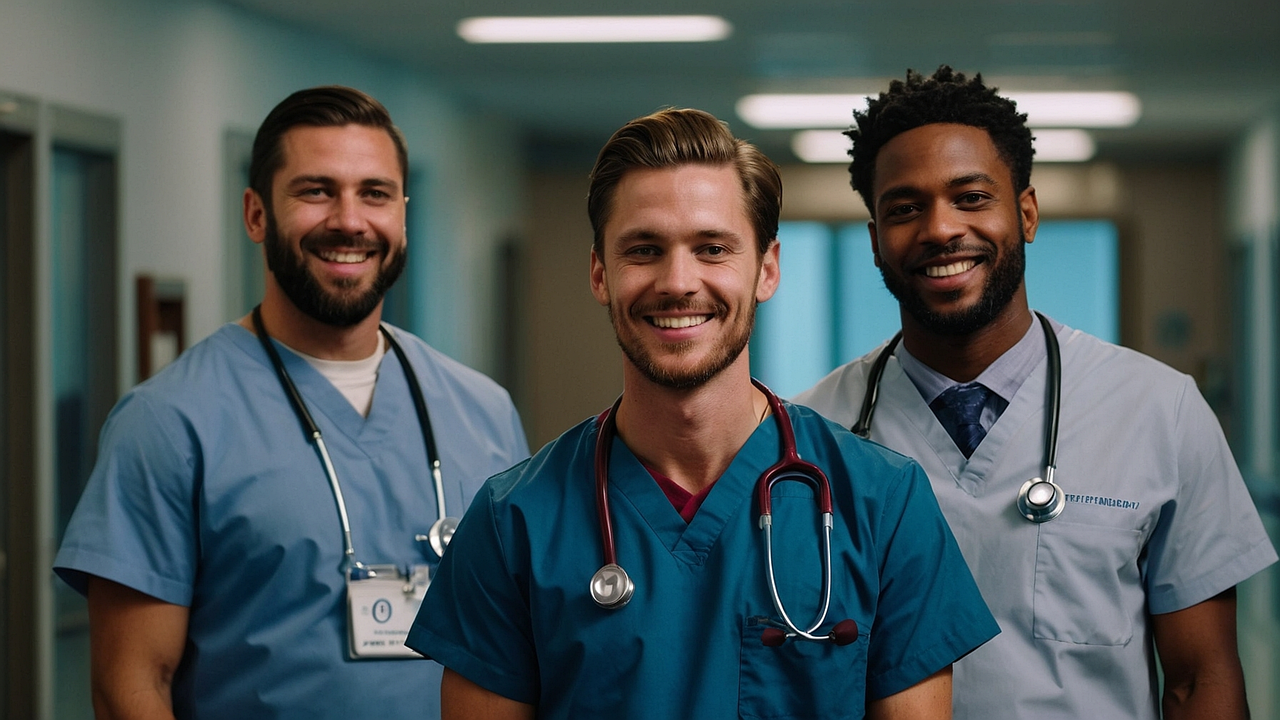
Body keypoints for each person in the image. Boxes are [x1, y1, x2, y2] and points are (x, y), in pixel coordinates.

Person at [406, 107, 998, 719]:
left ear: (767, 269)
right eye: (644, 250)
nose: (678, 281)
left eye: (712, 248)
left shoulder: (883, 503)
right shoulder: (514, 523)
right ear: (599, 272)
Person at [794, 66, 1277, 719]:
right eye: (904, 208)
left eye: (971, 197)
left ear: (1025, 214)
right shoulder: (807, 436)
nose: (939, 229)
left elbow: (1201, 681)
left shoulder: (1159, 411)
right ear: (876, 239)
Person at [53, 86, 529, 719]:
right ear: (255, 214)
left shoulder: (484, 411)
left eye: (375, 193)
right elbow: (131, 684)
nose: (350, 220)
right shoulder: (169, 422)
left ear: (402, 215)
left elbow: (518, 651)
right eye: (316, 191)